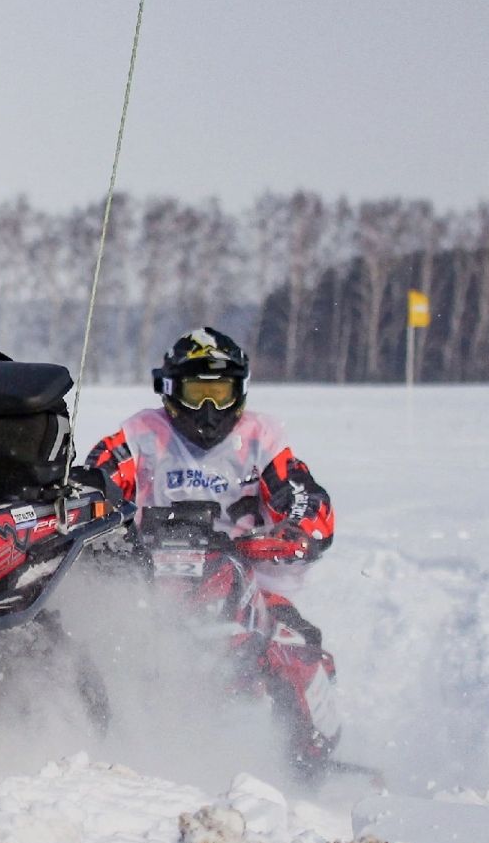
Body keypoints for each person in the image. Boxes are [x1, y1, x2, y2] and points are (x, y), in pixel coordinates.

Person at [84, 327, 341, 763]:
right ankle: (97, 742)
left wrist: (293, 533)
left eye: (219, 393)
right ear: (170, 390)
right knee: (93, 642)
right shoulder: (141, 436)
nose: (208, 408)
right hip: (148, 582)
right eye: (196, 392)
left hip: (249, 582)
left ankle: (308, 760)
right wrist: (95, 521)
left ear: (239, 392)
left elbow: (307, 498)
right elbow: (95, 481)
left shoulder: (262, 440)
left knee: (298, 648)